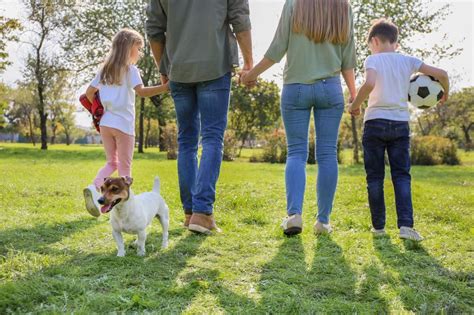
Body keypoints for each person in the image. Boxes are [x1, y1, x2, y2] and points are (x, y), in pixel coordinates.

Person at [242, 0, 357, 236]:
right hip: (330, 89)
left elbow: (277, 48)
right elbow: (348, 58)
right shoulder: (344, 7)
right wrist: (354, 95)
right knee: (327, 154)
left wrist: (250, 75)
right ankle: (323, 222)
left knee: (296, 153)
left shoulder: (294, 3)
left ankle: (294, 216)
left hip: (296, 88)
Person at [146, 0, 253, 234]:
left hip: (178, 69)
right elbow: (240, 19)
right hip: (215, 66)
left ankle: (190, 213)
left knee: (187, 142)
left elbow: (154, 29)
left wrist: (164, 69)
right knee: (212, 137)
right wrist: (248, 62)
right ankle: (202, 213)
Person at [348, 19, 449, 241]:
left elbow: (370, 84)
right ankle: (406, 226)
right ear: (396, 43)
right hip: (400, 124)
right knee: (401, 175)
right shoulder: (408, 61)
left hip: (374, 122)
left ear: (374, 41)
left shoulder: (372, 59)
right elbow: (442, 73)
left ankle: (379, 228)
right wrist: (445, 93)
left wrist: (354, 105)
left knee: (374, 177)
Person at [83, 28, 169, 217]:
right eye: (138, 49)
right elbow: (142, 92)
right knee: (124, 168)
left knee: (110, 162)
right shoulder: (131, 70)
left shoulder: (104, 69)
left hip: (106, 123)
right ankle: (126, 210)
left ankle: (94, 186)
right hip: (123, 125)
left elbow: (89, 94)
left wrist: (99, 110)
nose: (139, 53)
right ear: (130, 48)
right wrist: (165, 87)